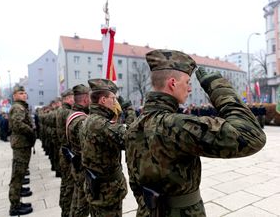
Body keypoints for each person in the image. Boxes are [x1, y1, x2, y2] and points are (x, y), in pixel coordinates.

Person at [124, 49, 266, 217]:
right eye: (187, 82)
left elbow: (135, 182)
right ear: (172, 83)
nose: (190, 88)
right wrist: (218, 87)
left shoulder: (134, 126)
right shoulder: (176, 125)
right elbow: (252, 136)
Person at [80, 78, 135, 217]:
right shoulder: (102, 125)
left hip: (96, 187)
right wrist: (129, 111)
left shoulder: (88, 119)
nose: (115, 102)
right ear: (103, 100)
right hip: (108, 191)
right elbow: (131, 139)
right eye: (113, 98)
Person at [8, 86, 36, 216]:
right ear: (14, 96)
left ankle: (18, 201)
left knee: (20, 173)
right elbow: (17, 124)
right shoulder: (18, 107)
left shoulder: (21, 107)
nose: (24, 95)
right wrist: (31, 131)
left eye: (25, 93)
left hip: (23, 144)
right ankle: (14, 207)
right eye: (21, 93)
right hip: (21, 145)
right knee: (18, 176)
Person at [66, 84, 90, 217]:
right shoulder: (81, 120)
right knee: (82, 206)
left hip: (76, 163)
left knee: (76, 201)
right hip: (82, 167)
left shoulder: (73, 114)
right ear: (86, 99)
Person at [56, 88, 75, 217]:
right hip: (68, 151)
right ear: (68, 98)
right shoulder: (67, 112)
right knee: (69, 185)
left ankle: (64, 207)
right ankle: (67, 211)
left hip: (63, 150)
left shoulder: (60, 110)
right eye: (73, 97)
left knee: (65, 183)